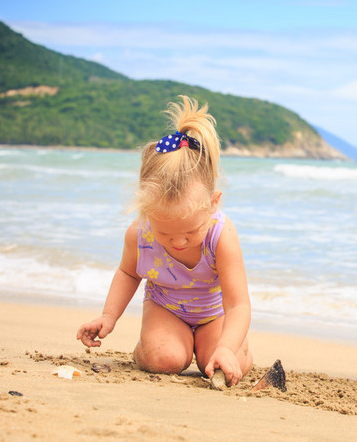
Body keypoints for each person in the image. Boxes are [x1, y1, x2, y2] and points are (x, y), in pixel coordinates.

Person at [77, 95, 252, 386]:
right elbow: (127, 273)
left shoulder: (222, 235)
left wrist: (226, 348)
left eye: (189, 232)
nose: (179, 242)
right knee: (165, 360)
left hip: (214, 314)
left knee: (226, 363)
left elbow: (238, 305)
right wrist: (108, 317)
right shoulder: (140, 232)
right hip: (165, 309)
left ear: (213, 204)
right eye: (166, 234)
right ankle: (149, 346)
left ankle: (229, 347)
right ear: (147, 213)